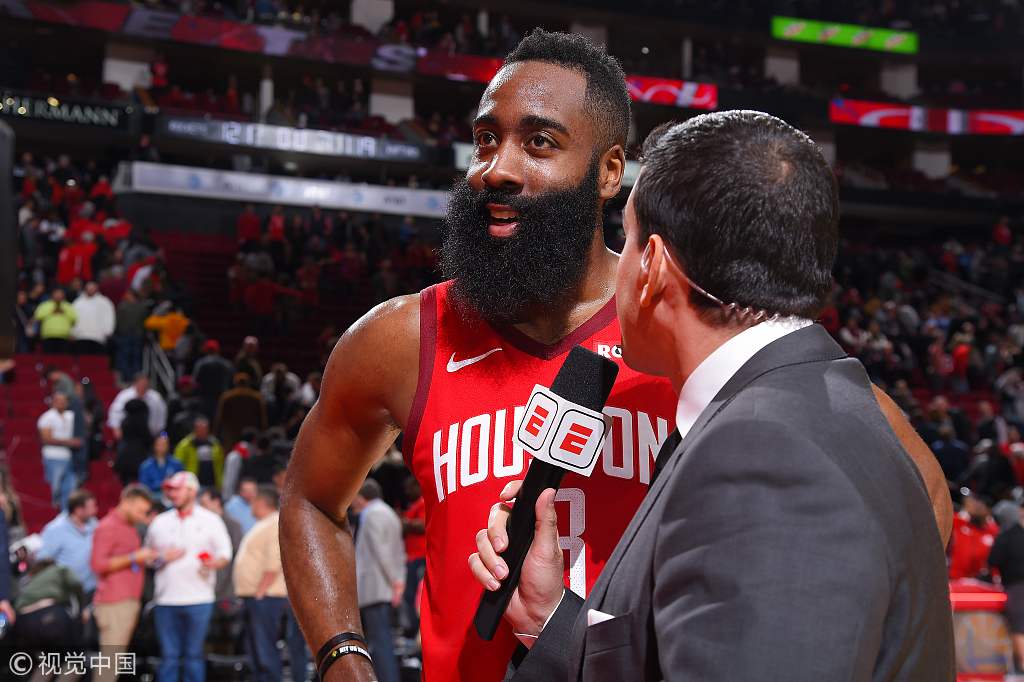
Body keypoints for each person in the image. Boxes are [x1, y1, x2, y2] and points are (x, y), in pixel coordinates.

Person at [281, 32, 951, 682]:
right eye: (486, 139)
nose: (497, 168)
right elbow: (310, 498)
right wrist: (344, 657)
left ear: (609, 172)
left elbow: (916, 491)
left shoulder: (682, 331)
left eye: (539, 142)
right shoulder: (402, 339)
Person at [469, 111, 955, 680]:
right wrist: (552, 620)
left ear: (653, 266)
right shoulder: (824, 399)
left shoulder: (761, 454)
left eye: (625, 241)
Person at [145, 471, 233, 682]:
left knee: (194, 655)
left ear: (192, 491)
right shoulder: (160, 522)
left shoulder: (211, 520)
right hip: (166, 599)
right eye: (170, 490)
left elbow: (225, 553)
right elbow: (147, 556)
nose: (172, 494)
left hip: (199, 598)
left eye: (177, 489)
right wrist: (161, 558)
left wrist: (214, 563)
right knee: (169, 656)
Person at [90, 485, 157, 682]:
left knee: (113, 664)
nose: (142, 516)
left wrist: (143, 558)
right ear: (126, 502)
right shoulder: (108, 527)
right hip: (115, 604)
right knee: (109, 666)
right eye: (139, 511)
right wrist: (134, 557)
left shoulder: (128, 527)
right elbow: (97, 564)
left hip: (126, 602)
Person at [233, 486, 299, 682]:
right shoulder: (263, 524)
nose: (250, 506)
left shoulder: (274, 523)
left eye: (253, 502)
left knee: (265, 648)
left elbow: (274, 561)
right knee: (255, 648)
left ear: (261, 502)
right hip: (256, 596)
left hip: (266, 597)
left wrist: (260, 592)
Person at [351, 479, 404, 682]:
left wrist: (395, 581)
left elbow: (382, 552)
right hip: (384, 585)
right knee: (382, 641)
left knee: (380, 642)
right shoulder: (387, 512)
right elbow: (397, 550)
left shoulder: (372, 514)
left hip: (377, 587)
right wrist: (398, 581)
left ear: (361, 497)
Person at [38, 489, 98, 596]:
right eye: (91, 507)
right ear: (79, 510)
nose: (95, 510)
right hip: (68, 593)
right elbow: (43, 561)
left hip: (93, 588)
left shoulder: (94, 523)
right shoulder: (54, 529)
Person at [990, 499, 1024, 672]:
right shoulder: (1008, 536)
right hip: (1016, 586)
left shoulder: (1007, 535)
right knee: (1020, 625)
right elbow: (993, 560)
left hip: (1016, 586)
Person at [37, 392, 80, 510]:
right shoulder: (47, 417)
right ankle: (55, 509)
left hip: (69, 456)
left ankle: (66, 509)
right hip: (53, 456)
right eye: (58, 401)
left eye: (63, 401)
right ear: (53, 402)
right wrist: (69, 442)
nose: (61, 403)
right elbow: (46, 438)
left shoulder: (71, 415)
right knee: (55, 487)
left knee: (70, 486)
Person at [199, 488, 243, 602]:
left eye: (204, 504)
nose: (201, 508)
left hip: (227, 588)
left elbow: (237, 557)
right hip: (204, 584)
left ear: (216, 502)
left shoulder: (233, 525)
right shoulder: (200, 525)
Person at [950, 488, 1000, 580]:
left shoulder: (994, 531)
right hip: (955, 578)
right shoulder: (959, 523)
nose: (974, 506)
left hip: (981, 580)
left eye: (979, 505)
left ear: (988, 510)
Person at [214, 374, 266, 452]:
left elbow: (220, 418)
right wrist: (263, 432)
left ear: (235, 383)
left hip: (232, 433)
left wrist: (216, 433)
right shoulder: (256, 397)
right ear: (248, 383)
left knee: (232, 454)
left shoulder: (227, 397)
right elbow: (262, 419)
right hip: (250, 433)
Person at [401, 477, 426, 637]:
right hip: (412, 558)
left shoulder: (423, 502)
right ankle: (414, 634)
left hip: (420, 557)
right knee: (410, 597)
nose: (407, 491)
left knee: (417, 598)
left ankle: (418, 633)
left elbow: (423, 524)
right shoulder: (414, 505)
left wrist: (405, 523)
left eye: (410, 487)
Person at [108, 373, 167, 439]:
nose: (143, 386)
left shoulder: (156, 397)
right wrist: (116, 429)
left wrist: (163, 436)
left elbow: (163, 421)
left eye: (145, 384)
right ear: (135, 383)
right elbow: (115, 413)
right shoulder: (125, 396)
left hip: (151, 435)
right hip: (129, 436)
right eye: (141, 383)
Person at [174, 417, 225, 489]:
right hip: (193, 484)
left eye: (204, 429)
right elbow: (177, 464)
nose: (202, 432)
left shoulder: (215, 444)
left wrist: (221, 483)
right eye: (200, 429)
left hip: (212, 484)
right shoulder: (185, 445)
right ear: (195, 429)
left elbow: (220, 465)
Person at [71, 281, 116, 355]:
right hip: (81, 336)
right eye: (89, 288)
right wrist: (73, 332)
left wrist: (108, 331)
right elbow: (73, 318)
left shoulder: (104, 302)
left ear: (96, 289)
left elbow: (109, 318)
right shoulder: (78, 302)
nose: (90, 290)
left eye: (92, 288)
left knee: (96, 359)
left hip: (98, 337)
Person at [193, 339, 235, 419]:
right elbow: (232, 383)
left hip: (205, 399)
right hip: (221, 399)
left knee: (205, 422)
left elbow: (195, 382)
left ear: (206, 350)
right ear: (217, 350)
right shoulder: (227, 364)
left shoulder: (201, 363)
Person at [138, 432, 184, 497]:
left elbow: (182, 483)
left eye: (164, 444)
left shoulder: (176, 464)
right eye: (159, 444)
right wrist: (162, 484)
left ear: (168, 445)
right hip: (153, 498)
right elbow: (143, 488)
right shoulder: (146, 466)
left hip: (173, 498)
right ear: (154, 445)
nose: (162, 447)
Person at [34, 288, 77, 354]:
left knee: (62, 358)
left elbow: (74, 318)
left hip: (64, 336)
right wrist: (51, 311)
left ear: (63, 295)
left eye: (60, 294)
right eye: (56, 293)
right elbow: (38, 316)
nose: (58, 296)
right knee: (48, 358)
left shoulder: (68, 306)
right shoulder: (45, 305)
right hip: (48, 336)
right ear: (52, 294)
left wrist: (64, 312)